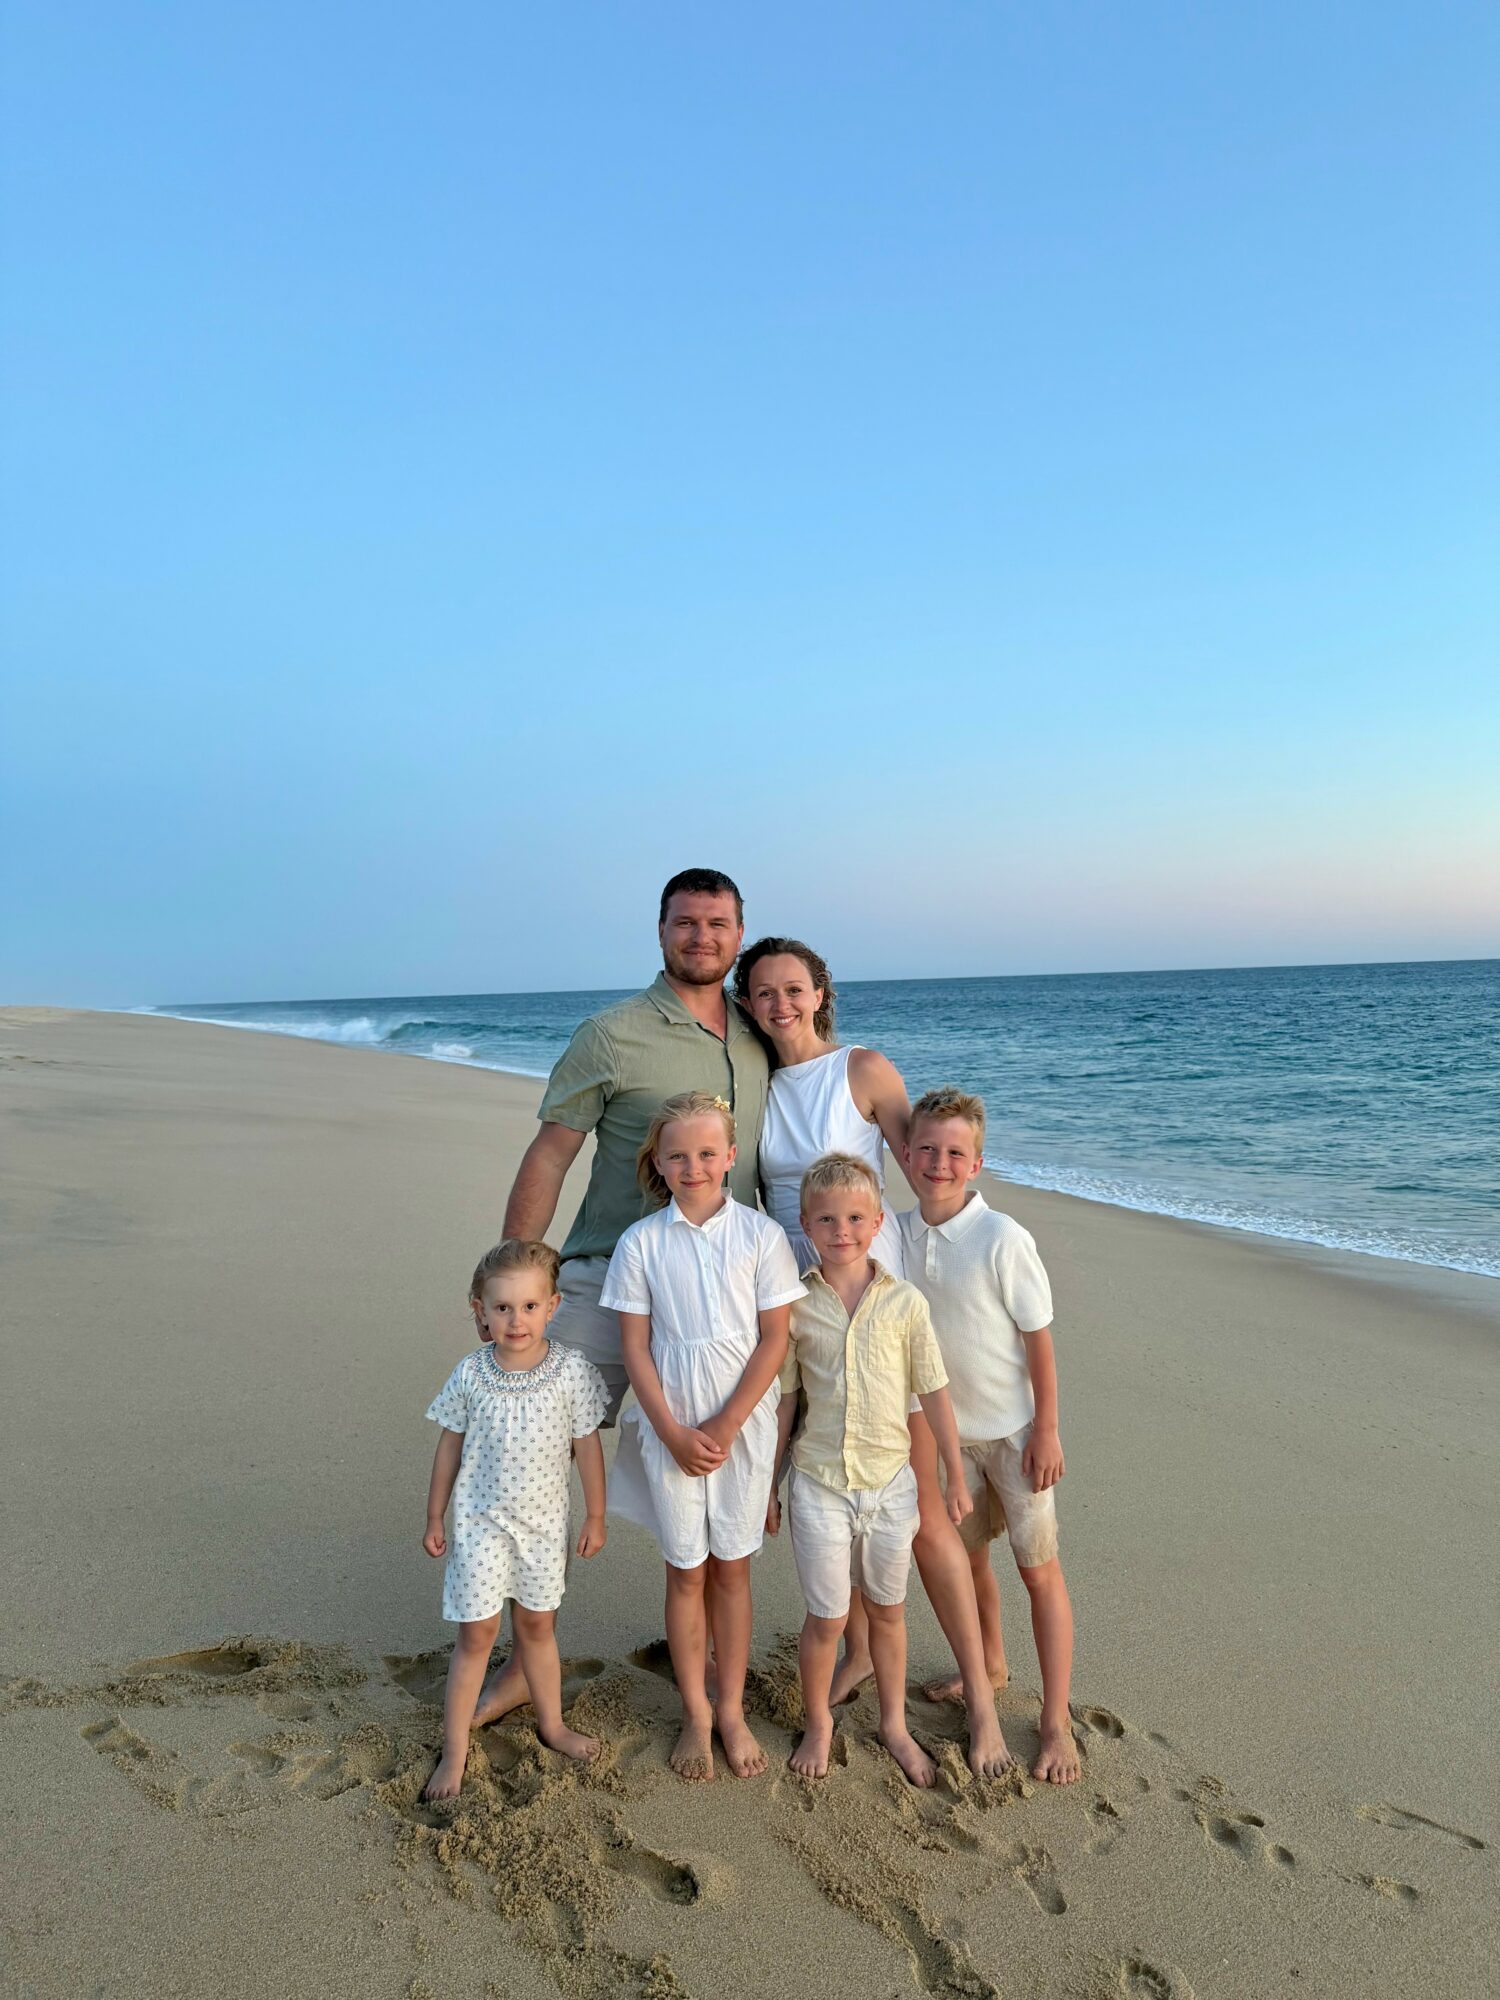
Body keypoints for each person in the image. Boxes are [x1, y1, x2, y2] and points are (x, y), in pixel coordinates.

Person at [734, 937, 1012, 1777]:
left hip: (876, 1296)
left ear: (820, 992)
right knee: (833, 1476)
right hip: (796, 1301)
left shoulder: (861, 1068)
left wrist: (975, 1260)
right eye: (764, 992)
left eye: (794, 988)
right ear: (747, 1003)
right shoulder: (753, 1083)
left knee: (925, 1514)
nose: (780, 1003)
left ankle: (985, 1702)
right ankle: (855, 1653)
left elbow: (927, 1172)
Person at [504, 869, 769, 1422]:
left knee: (719, 1452)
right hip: (609, 1273)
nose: (702, 936)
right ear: (661, 930)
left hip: (725, 1289)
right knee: (536, 1425)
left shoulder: (764, 1032)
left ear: (740, 934)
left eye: (718, 923)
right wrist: (513, 1270)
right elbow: (552, 1153)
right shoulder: (609, 1035)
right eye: (687, 923)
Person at [602, 1091, 803, 1782]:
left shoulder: (760, 1236)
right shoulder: (641, 1243)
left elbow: (775, 1337)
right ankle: (694, 1712)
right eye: (678, 1155)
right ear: (658, 1161)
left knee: (733, 1569)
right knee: (685, 1569)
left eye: (707, 1153)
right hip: (671, 1426)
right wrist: (672, 1430)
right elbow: (635, 1347)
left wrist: (723, 1424)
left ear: (730, 1156)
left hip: (739, 1426)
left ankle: (733, 1709)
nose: (694, 1166)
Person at [896, 1088, 1080, 1785]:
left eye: (955, 1153)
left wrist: (1048, 1431)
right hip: (949, 1442)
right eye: (927, 1150)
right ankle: (991, 1670)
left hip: (1015, 1436)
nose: (939, 1163)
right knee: (969, 1564)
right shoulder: (900, 1234)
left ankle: (1056, 1719)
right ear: (907, 1155)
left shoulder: (1001, 1237)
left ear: (976, 1162)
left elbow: (1039, 1341)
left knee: (1039, 1572)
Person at [768, 1154, 971, 1786]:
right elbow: (788, 1400)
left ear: (878, 1221)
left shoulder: (905, 1303)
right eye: (826, 1219)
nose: (842, 1230)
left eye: (856, 1218)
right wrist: (770, 1484)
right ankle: (819, 1723)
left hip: (891, 1487)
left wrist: (955, 1476)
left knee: (887, 1609)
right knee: (827, 1617)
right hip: (820, 1483)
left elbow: (933, 1392)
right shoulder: (797, 1305)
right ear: (806, 1224)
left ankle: (893, 1724)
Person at [420, 1239, 609, 1801]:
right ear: (480, 1310)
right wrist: (435, 1514)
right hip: (480, 1526)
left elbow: (589, 1447)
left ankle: (551, 1724)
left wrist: (595, 1514)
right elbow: (449, 1448)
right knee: (477, 1634)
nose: (516, 1319)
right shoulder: (472, 1374)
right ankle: (455, 1750)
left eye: (529, 1306)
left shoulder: (571, 1372)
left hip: (544, 1530)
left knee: (536, 1630)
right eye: (502, 1308)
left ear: (552, 1306)